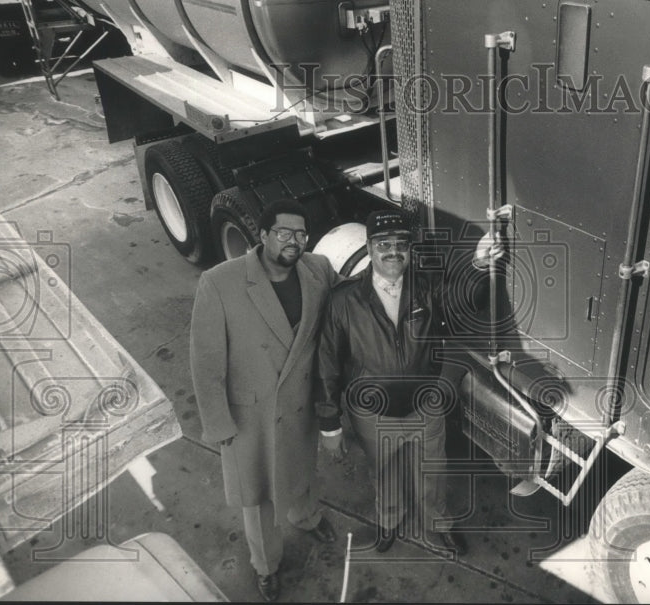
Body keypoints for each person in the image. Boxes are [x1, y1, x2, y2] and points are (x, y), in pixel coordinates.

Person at [190, 199, 339, 601]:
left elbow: (344, 313)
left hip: (301, 403)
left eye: (301, 234)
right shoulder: (220, 282)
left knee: (303, 470)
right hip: (251, 414)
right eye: (284, 233)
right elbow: (206, 363)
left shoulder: (318, 269)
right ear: (262, 235)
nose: (294, 241)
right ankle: (266, 565)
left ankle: (308, 518)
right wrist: (218, 424)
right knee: (258, 496)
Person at [317, 209, 469, 556]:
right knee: (383, 472)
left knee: (432, 470)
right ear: (369, 248)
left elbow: (463, 301)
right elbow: (326, 363)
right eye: (384, 243)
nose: (393, 251)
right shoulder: (344, 301)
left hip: (424, 407)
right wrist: (330, 424)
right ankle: (389, 521)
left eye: (401, 243)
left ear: (410, 249)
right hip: (373, 414)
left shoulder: (428, 288)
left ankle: (438, 522)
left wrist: (477, 264)